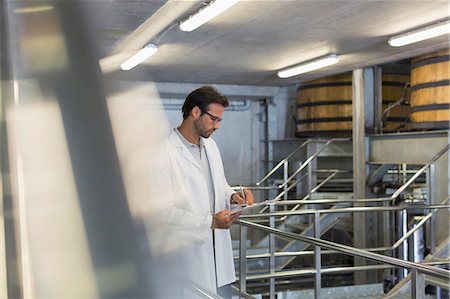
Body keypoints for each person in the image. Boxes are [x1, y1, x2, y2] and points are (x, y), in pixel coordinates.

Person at [148, 85, 254, 298]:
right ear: (195, 112)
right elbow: (160, 213)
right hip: (188, 260)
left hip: (219, 260)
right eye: (214, 119)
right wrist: (210, 222)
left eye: (219, 121)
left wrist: (233, 196)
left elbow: (220, 185)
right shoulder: (161, 153)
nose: (217, 126)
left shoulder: (211, 147)